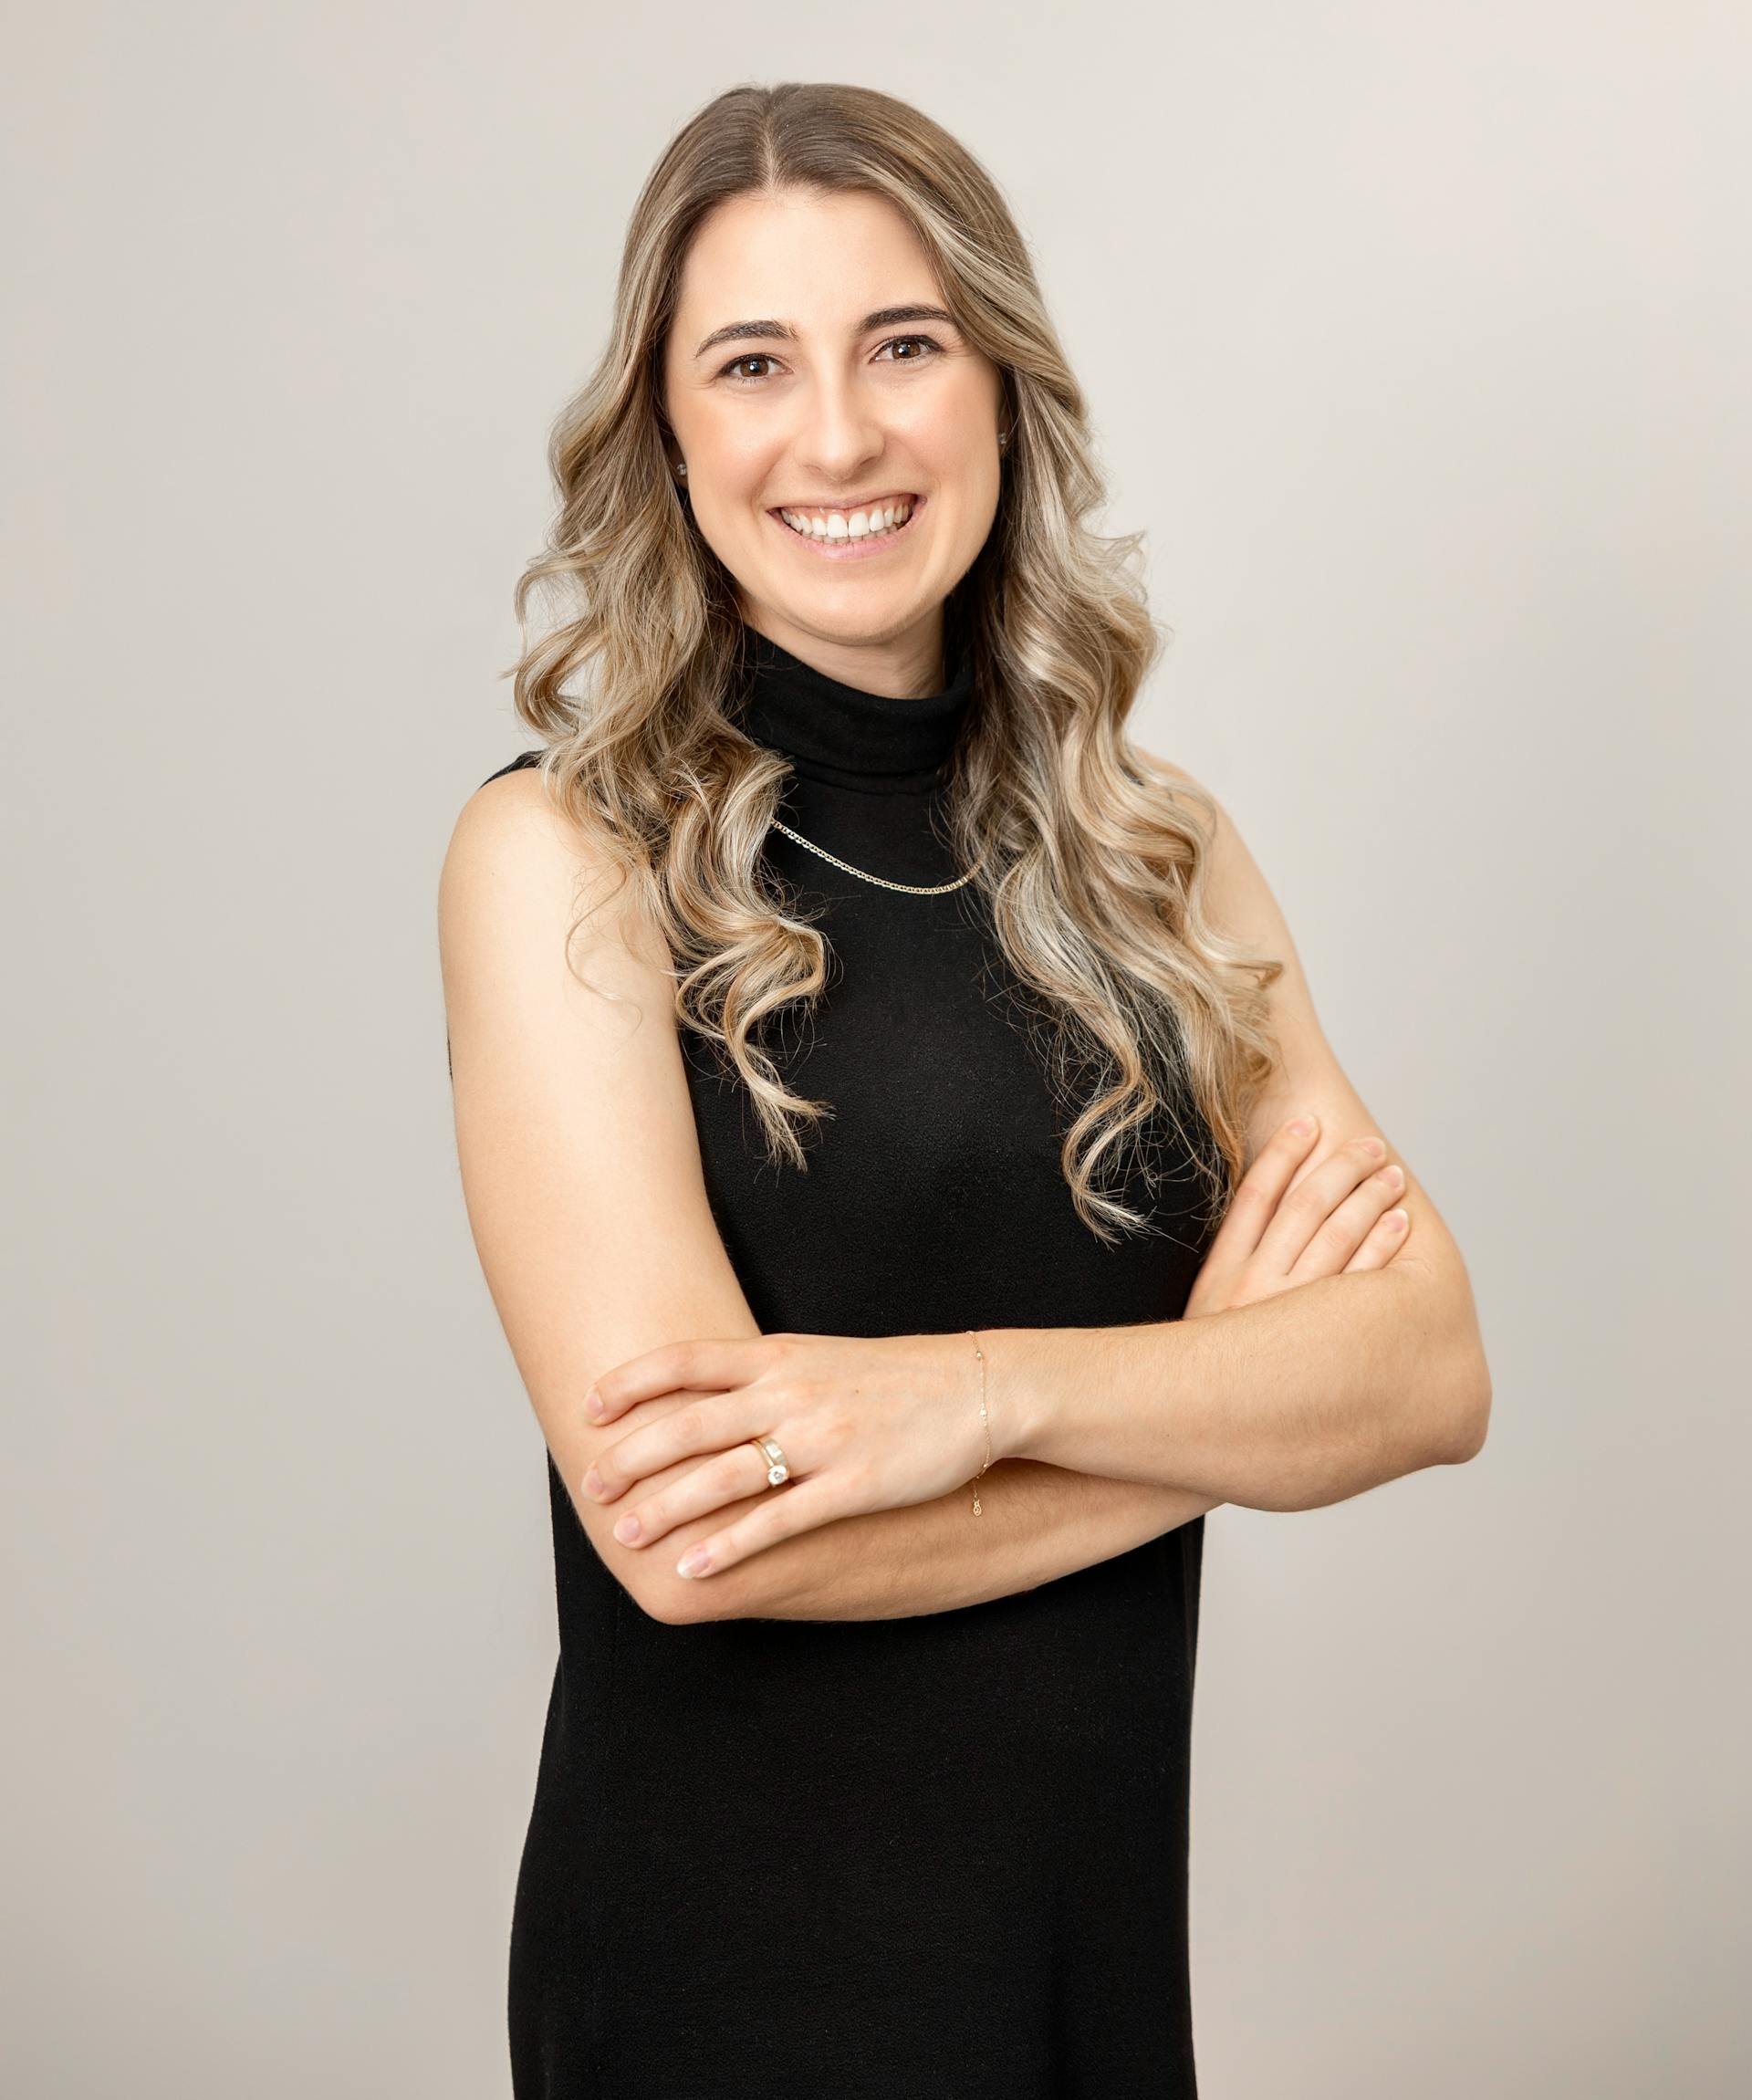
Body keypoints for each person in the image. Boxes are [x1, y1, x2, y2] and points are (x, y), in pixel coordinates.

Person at [437, 79, 1491, 2100]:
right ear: (670, 433)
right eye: (753, 363)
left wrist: (966, 1395)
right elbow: (694, 1536)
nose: (837, 434)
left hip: (1086, 1968)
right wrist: (1233, 1412)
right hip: (724, 1983)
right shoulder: (564, 856)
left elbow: (1430, 1368)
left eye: (904, 345)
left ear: (1003, 390)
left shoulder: (1153, 854)